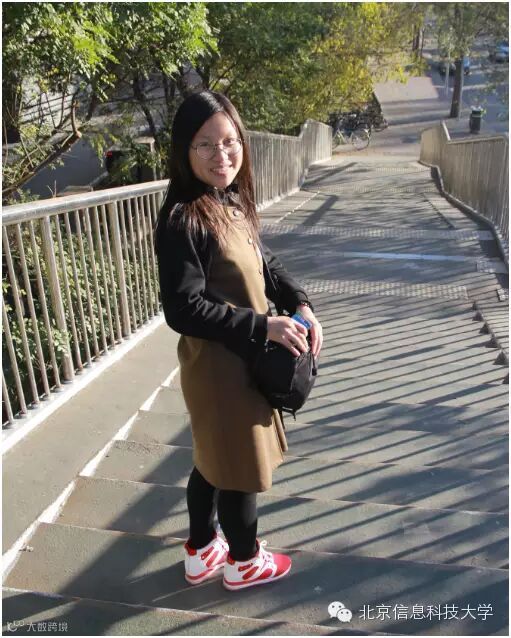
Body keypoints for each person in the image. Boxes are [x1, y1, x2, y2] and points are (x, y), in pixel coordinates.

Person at [154, 90, 323, 591]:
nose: (221, 155)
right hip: (219, 368)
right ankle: (244, 561)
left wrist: (300, 303)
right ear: (184, 150)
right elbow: (182, 308)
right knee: (238, 467)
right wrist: (263, 326)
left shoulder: (226, 201)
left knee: (211, 459)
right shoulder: (183, 218)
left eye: (230, 142)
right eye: (205, 144)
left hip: (237, 360)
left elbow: (263, 263)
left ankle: (201, 549)